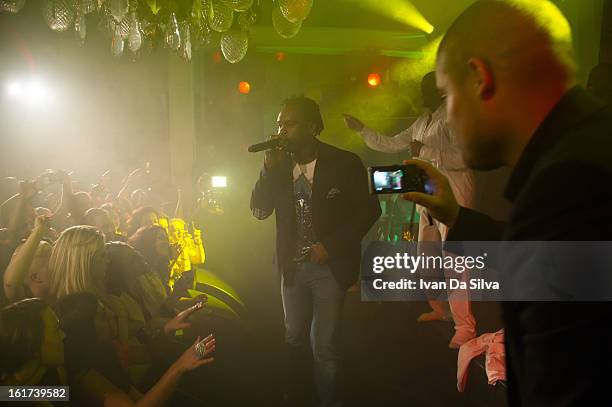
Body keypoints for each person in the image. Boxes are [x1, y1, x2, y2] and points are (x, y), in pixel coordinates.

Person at [402, 0, 612, 404]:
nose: (447, 113)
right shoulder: (581, 152)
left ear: (480, 78)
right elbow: (550, 261)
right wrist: (458, 217)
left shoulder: (571, 181)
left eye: (447, 95)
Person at [251, 96, 381, 406]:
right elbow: (258, 210)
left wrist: (332, 246)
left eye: (290, 124)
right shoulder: (278, 166)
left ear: (311, 127)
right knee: (293, 337)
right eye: (279, 124)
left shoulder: (344, 162)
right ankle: (296, 395)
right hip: (292, 270)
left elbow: (368, 211)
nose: (281, 131)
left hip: (328, 267)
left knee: (323, 346)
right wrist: (268, 168)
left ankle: (328, 401)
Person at [344, 72, 477, 347]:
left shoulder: (456, 116)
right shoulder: (421, 122)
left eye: (426, 89)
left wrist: (425, 151)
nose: (420, 95)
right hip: (427, 194)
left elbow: (468, 155)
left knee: (454, 260)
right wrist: (361, 129)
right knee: (425, 254)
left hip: (455, 192)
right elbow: (390, 143)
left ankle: (465, 326)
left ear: (440, 91)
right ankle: (442, 310)